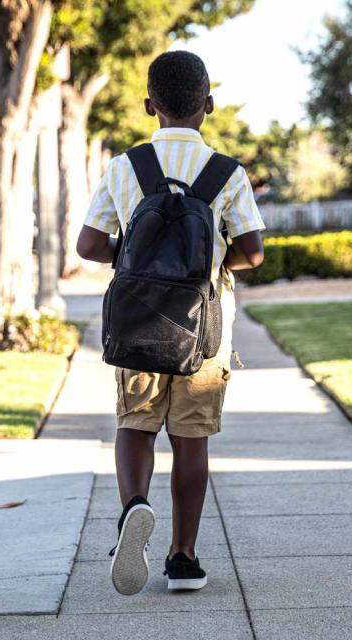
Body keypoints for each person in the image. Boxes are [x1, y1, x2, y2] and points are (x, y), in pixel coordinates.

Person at [76, 50, 266, 596]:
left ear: (148, 105)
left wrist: (133, 258)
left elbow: (88, 244)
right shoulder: (227, 173)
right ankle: (183, 559)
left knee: (135, 424)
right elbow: (253, 252)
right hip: (203, 327)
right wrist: (212, 264)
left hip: (136, 321)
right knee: (191, 439)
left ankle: (134, 506)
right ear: (208, 104)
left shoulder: (124, 167)